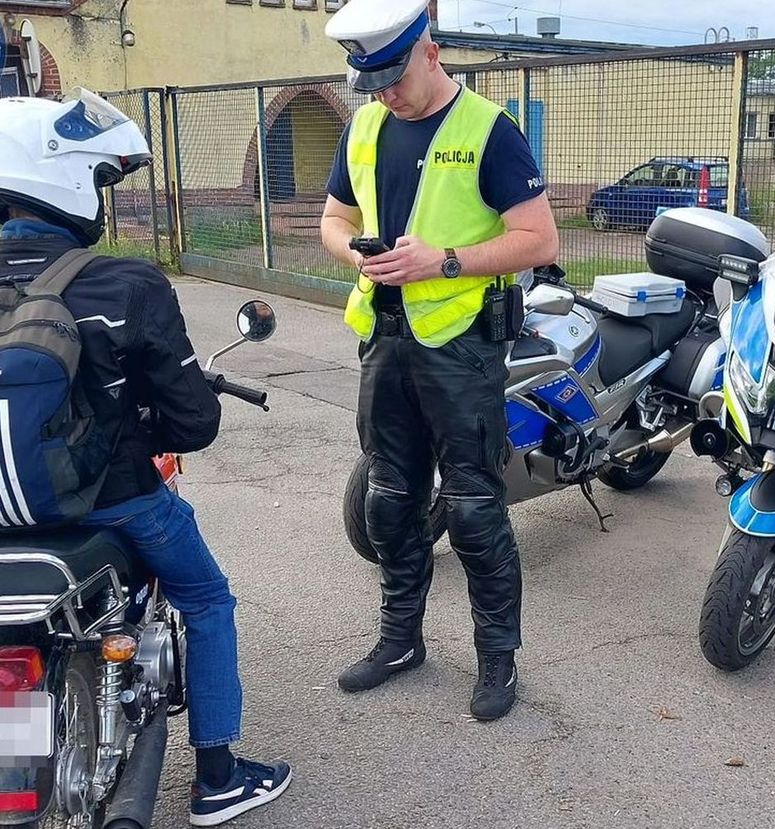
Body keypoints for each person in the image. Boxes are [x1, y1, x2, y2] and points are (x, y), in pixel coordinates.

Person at [0, 90, 290, 827]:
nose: (100, 193)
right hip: (115, 497)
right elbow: (194, 421)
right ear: (55, 176)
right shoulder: (124, 284)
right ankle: (220, 776)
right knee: (208, 597)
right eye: (98, 178)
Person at [320, 0, 558, 721]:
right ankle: (400, 640)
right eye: (373, 81)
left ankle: (497, 660)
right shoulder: (365, 127)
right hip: (386, 343)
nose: (386, 93)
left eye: (393, 75)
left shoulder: (490, 130)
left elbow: (539, 240)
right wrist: (358, 253)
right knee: (391, 501)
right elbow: (334, 219)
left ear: (429, 48)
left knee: (476, 509)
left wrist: (442, 261)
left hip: (461, 350)